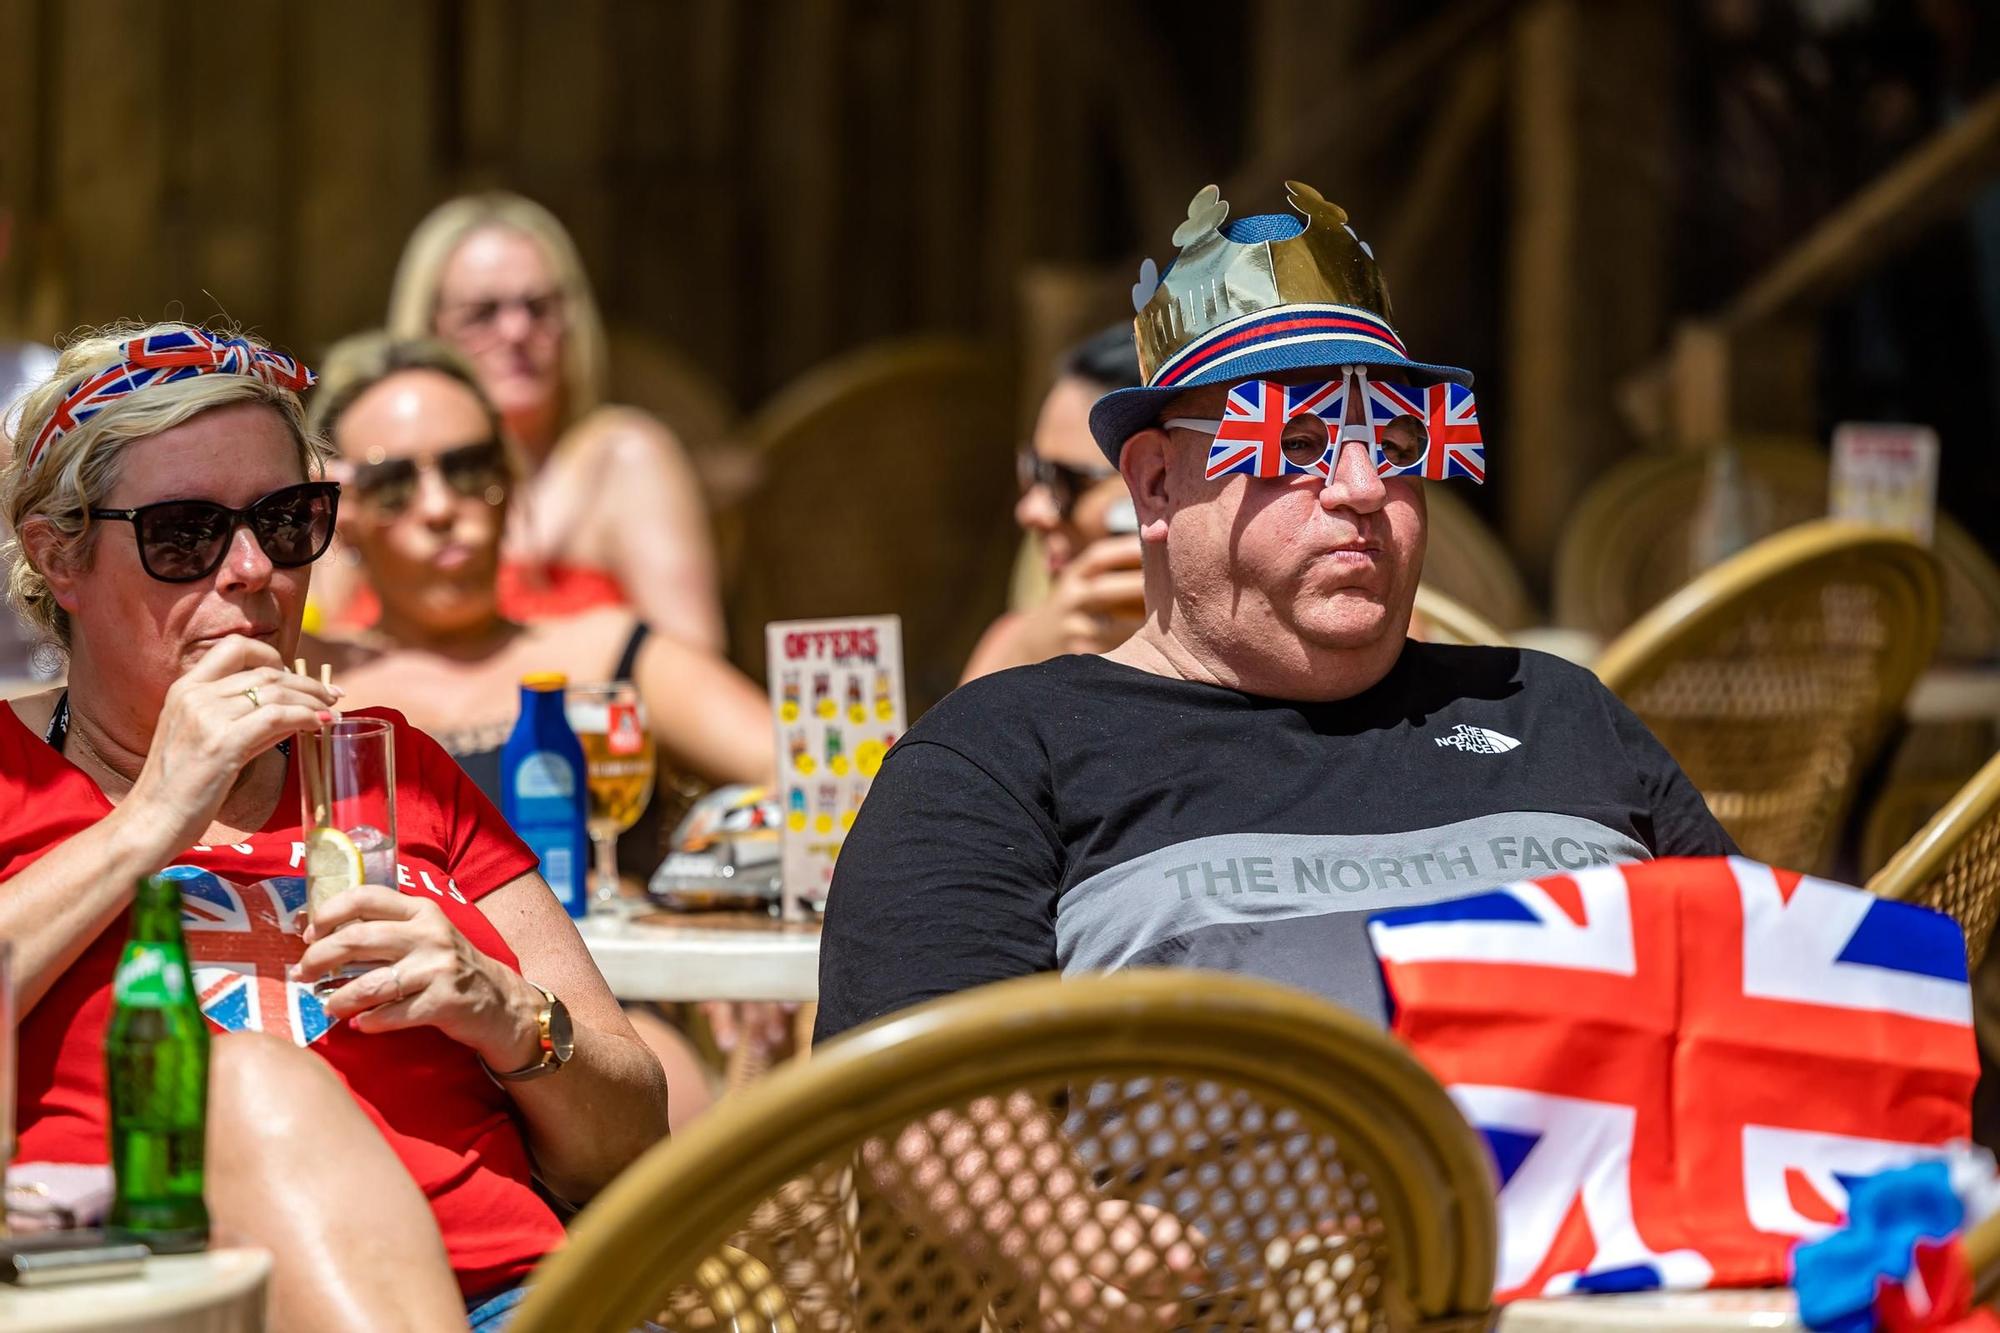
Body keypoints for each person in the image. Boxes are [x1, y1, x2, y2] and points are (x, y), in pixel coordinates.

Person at [817, 181, 1739, 1044]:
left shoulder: (1558, 711)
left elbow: (1768, 987)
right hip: (1222, 1218)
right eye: (1292, 440)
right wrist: (1134, 1232)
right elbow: (930, 1123)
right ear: (1153, 483)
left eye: (1402, 438)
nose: (1364, 484)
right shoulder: (1000, 756)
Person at [0, 321, 670, 1332]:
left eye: (285, 520)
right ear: (61, 558)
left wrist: (502, 1008)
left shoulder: (393, 765)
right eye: (183, 533)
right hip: (175, 1307)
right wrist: (150, 818)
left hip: (528, 1298)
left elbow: (630, 1138)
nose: (250, 570)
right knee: (250, 1086)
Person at [301, 331, 772, 851]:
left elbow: (815, 784)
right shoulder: (309, 681)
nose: (438, 508)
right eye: (392, 483)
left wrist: (700, 864)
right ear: (343, 515)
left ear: (511, 483)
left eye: (468, 468)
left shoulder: (610, 651)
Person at [315, 190, 723, 651]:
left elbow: (693, 661)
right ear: (428, 329)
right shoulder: (364, 465)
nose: (516, 331)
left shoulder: (623, 456)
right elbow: (318, 644)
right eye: (482, 314)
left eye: (538, 307)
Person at [961, 324, 1146, 682]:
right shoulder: (1024, 636)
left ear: (1154, 478)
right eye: (1035, 470)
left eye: (1067, 480)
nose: (1030, 511)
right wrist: (1026, 654)